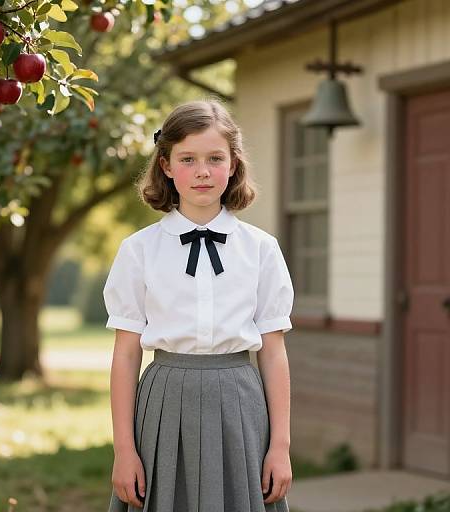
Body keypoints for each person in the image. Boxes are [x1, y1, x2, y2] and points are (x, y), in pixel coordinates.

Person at [103, 98, 294, 512]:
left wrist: (280, 446)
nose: (203, 171)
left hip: (240, 405)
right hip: (164, 403)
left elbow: (274, 352)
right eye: (187, 159)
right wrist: (123, 450)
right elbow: (126, 354)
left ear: (234, 165)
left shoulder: (261, 250)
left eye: (215, 158)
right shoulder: (139, 250)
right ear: (167, 166)